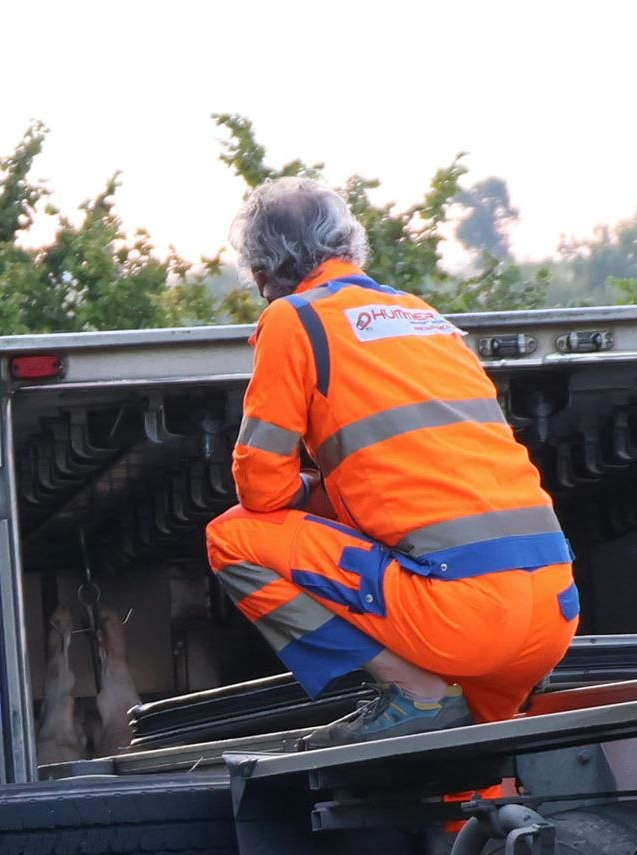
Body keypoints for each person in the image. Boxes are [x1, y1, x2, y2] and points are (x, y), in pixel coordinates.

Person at [204, 173, 579, 747]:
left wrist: (312, 491)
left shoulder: (294, 319)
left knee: (233, 538)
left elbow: (260, 490)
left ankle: (415, 691)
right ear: (351, 246)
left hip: (461, 620)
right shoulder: (431, 321)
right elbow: (425, 475)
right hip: (552, 615)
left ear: (262, 277)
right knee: (472, 780)